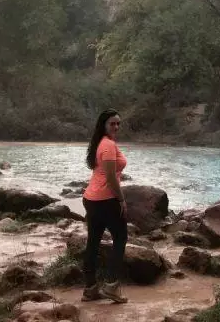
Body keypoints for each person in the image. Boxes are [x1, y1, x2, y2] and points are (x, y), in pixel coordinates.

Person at [81, 108, 128, 304]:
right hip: (106, 200)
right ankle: (111, 286)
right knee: (120, 239)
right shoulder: (108, 145)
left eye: (118, 123)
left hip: (91, 199)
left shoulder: (99, 143)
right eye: (112, 123)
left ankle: (90, 289)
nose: (116, 126)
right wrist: (122, 199)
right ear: (104, 125)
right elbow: (110, 178)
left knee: (93, 243)